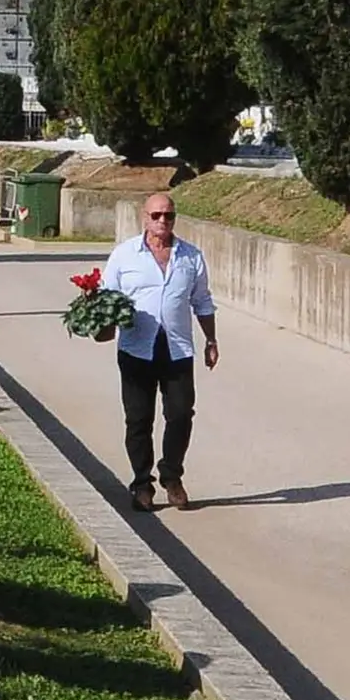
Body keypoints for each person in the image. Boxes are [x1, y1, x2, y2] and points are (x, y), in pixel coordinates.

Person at [99, 190, 219, 512]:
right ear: (144, 218)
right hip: (137, 349)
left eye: (168, 215)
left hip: (177, 349)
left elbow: (202, 301)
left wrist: (210, 340)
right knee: (138, 420)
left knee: (181, 415)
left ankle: (171, 475)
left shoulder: (190, 256)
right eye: (156, 216)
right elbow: (106, 296)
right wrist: (103, 325)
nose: (162, 221)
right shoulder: (124, 256)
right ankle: (141, 484)